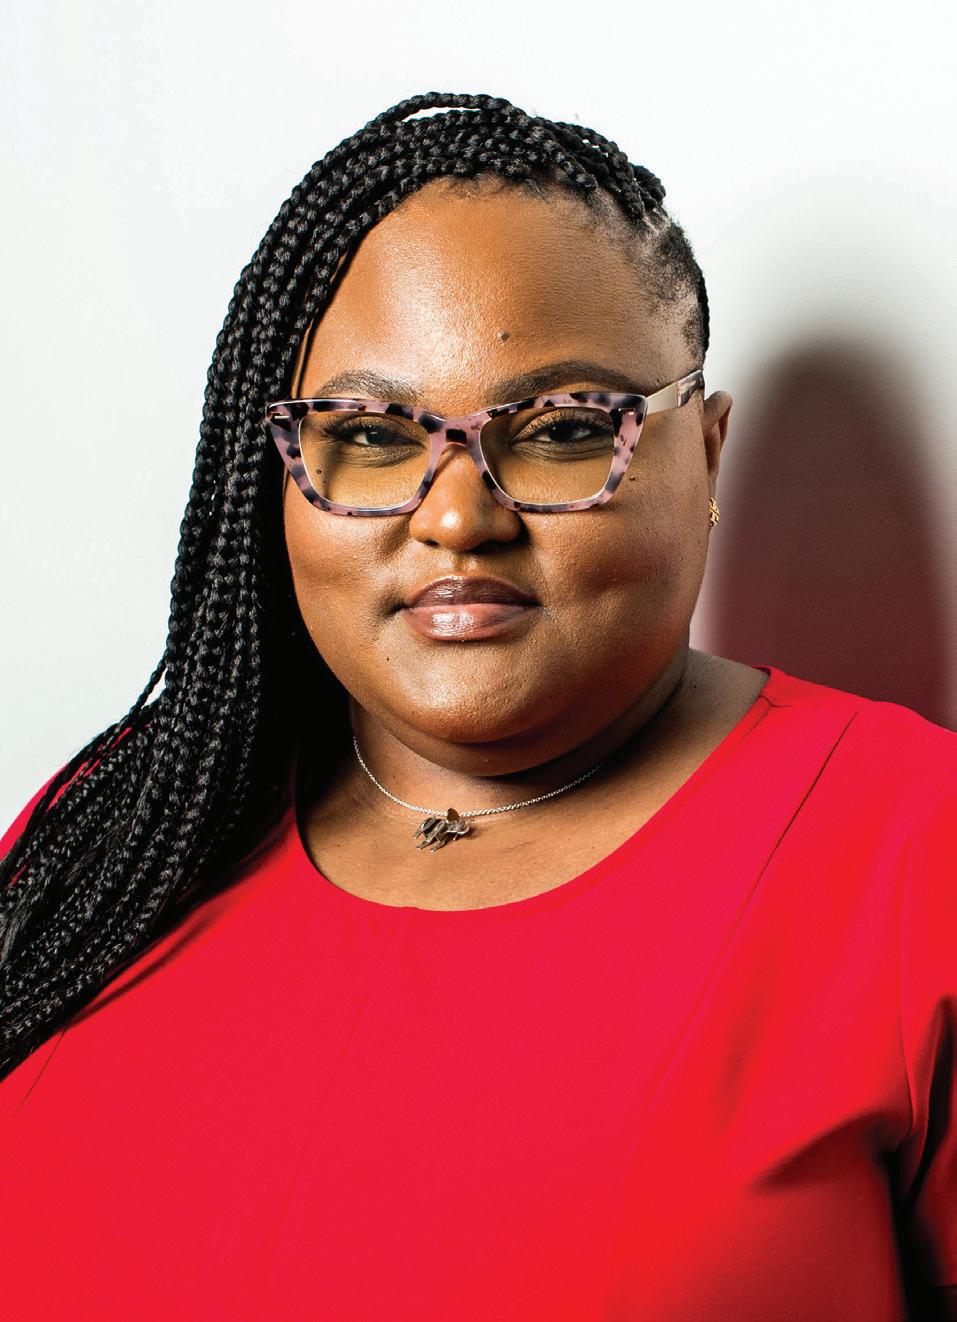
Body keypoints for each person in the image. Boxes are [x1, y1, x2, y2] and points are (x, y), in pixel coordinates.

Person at [1, 90, 954, 1322]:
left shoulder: (913, 853)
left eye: (562, 430)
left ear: (709, 454)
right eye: (371, 435)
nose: (458, 515)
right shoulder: (112, 841)